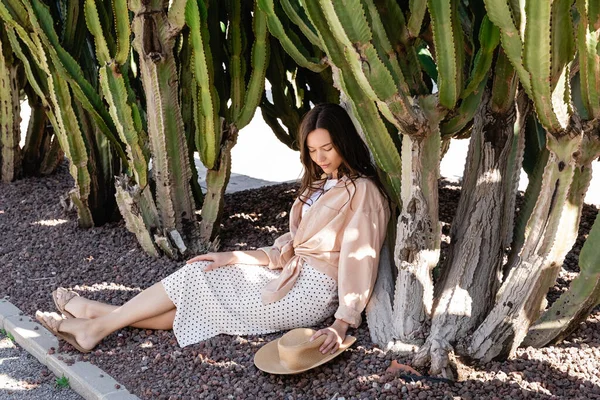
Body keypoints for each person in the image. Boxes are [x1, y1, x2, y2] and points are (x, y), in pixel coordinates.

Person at [36, 103, 390, 357]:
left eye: (327, 148)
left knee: (195, 283)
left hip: (309, 294)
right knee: (202, 270)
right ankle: (95, 315)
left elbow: (361, 259)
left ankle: (94, 324)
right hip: (287, 275)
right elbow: (290, 246)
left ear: (344, 142)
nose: (320, 157)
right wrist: (235, 256)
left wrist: (343, 321)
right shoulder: (320, 186)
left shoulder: (363, 192)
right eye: (312, 150)